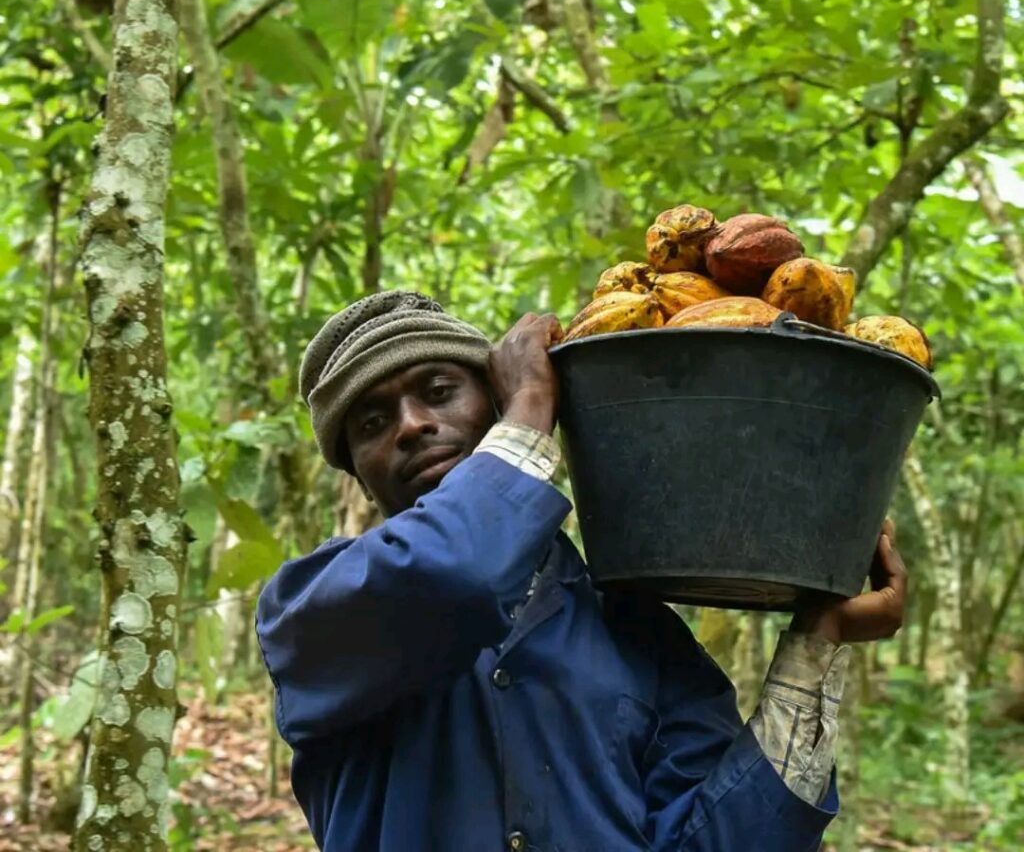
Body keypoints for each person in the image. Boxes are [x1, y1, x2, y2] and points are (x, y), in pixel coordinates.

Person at [256, 290, 907, 852]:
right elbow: (457, 575)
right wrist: (534, 407)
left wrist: (818, 640)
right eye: (373, 422)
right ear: (358, 476)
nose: (414, 425)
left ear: (491, 401)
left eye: (439, 391)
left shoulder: (634, 627)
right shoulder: (309, 609)